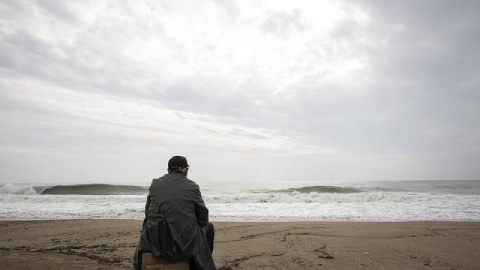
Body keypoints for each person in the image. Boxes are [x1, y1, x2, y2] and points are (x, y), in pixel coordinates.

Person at [134, 156, 216, 270]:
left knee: (148, 227)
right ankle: (197, 265)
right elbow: (203, 218)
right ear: (186, 170)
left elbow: (148, 213)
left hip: (154, 244)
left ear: (168, 169)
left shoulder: (155, 184)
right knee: (209, 228)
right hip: (183, 246)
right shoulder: (192, 186)